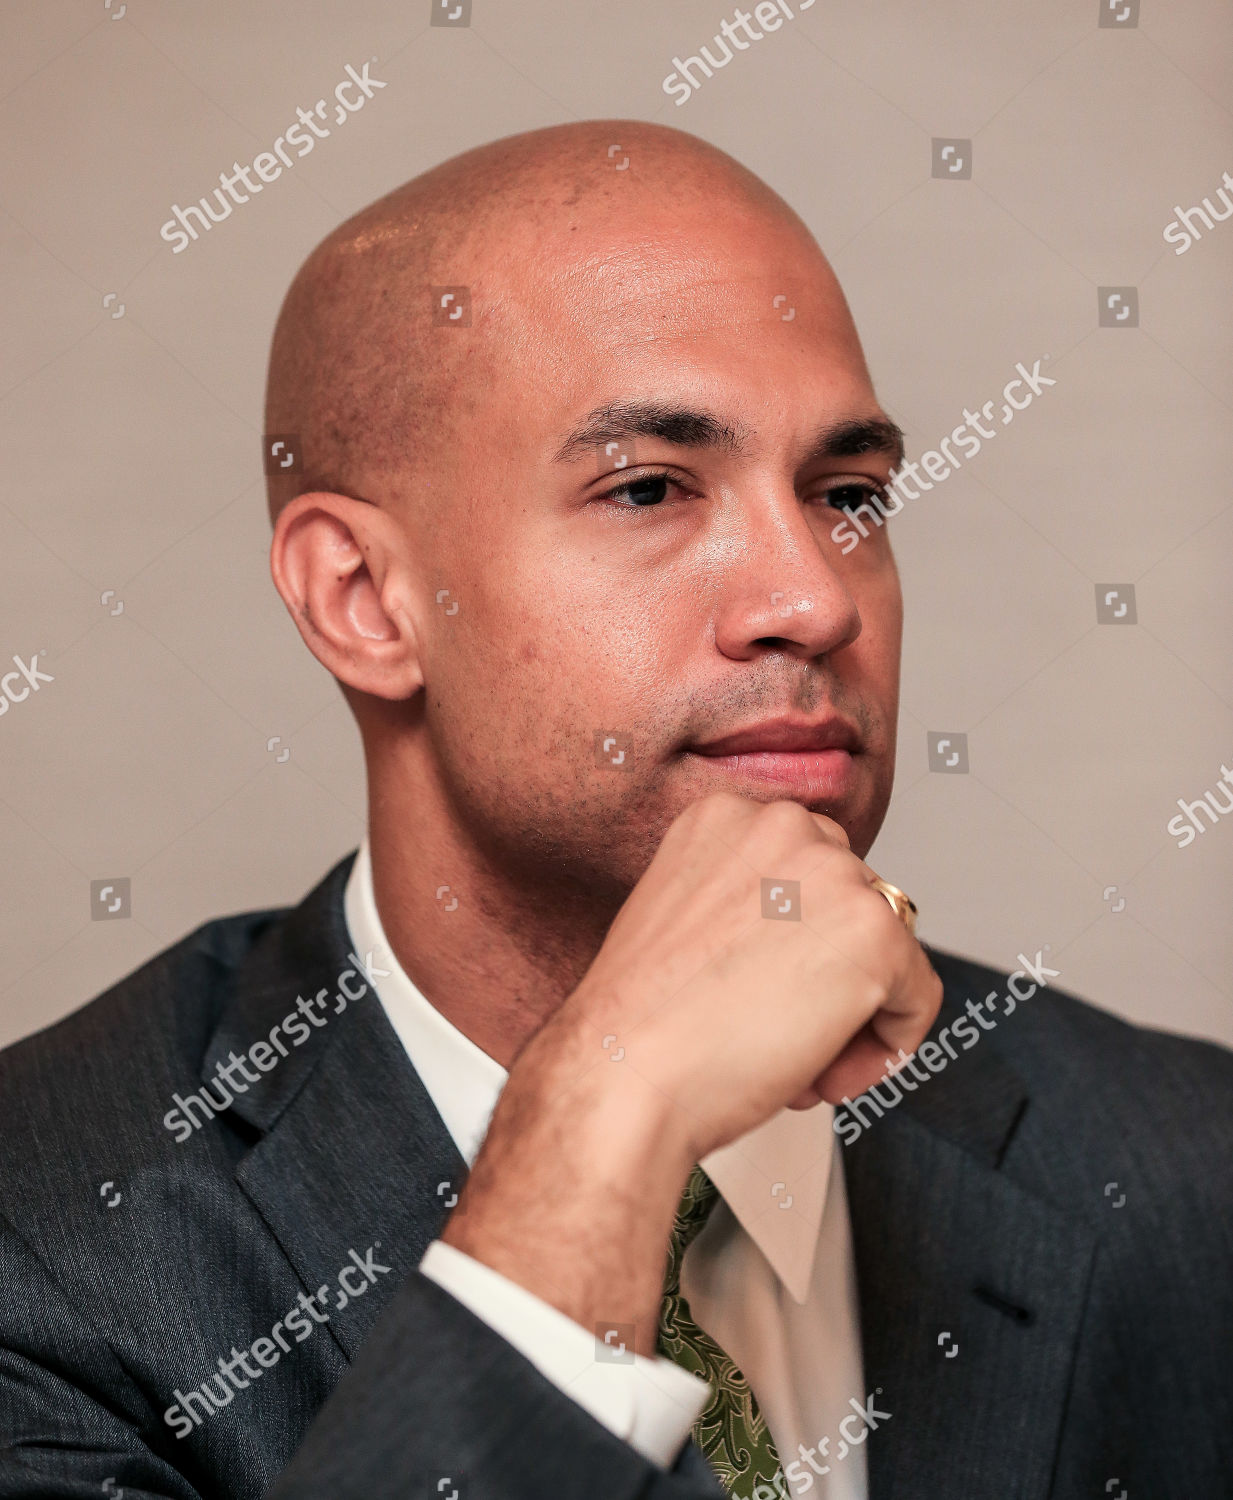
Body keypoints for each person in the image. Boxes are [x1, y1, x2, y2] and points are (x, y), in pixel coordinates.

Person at [0, 120, 1229, 1500]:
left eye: (845, 495)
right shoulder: (43, 1244)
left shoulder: (1190, 1172)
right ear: (360, 597)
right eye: (647, 488)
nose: (812, 600)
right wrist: (601, 1127)